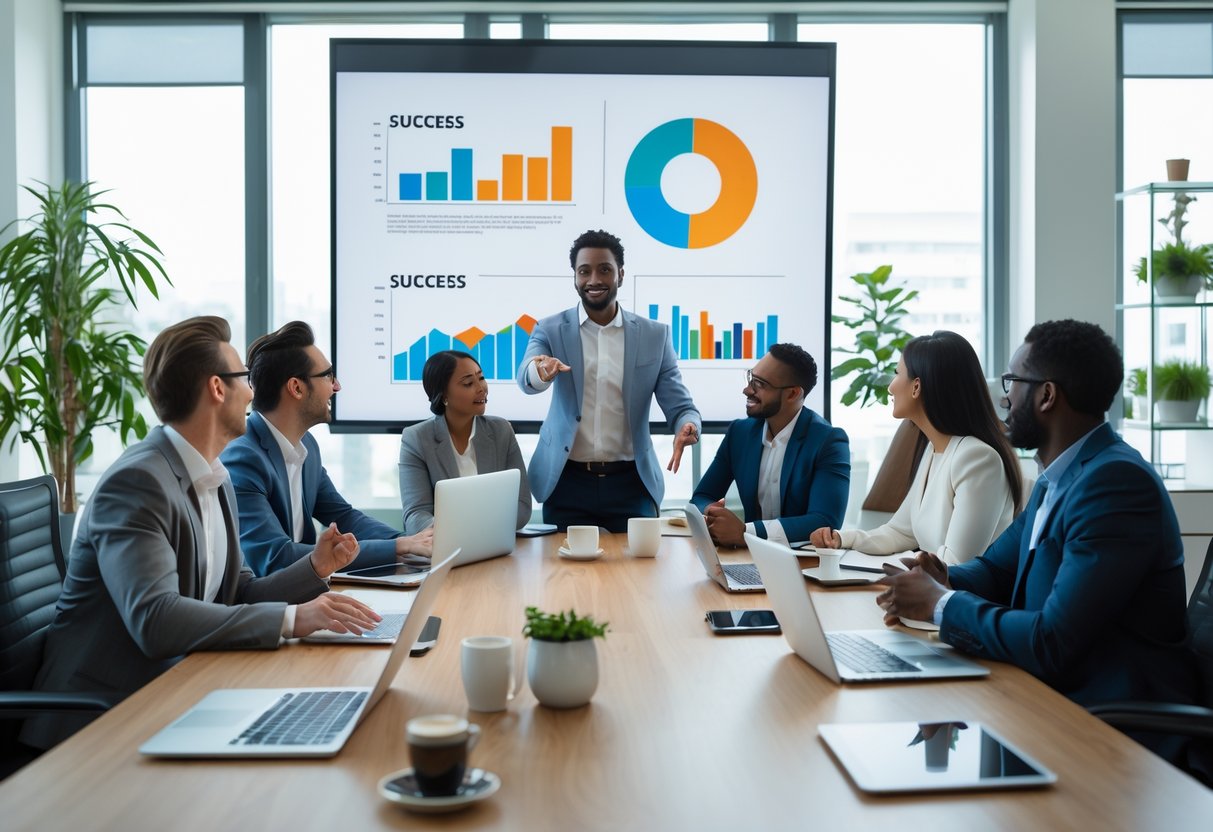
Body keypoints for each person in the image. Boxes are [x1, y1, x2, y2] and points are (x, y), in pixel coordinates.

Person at [23, 316, 380, 749]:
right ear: (216, 388)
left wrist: (315, 567)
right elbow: (156, 619)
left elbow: (239, 591)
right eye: (245, 379)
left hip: (178, 689)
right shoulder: (138, 483)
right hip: (104, 720)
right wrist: (292, 619)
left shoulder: (215, 475)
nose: (253, 392)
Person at [875, 320, 1198, 765]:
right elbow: (997, 569)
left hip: (1106, 729)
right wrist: (942, 576)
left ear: (1047, 396)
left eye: (1013, 382)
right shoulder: (1057, 478)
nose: (1004, 396)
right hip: (1046, 698)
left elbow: (1052, 641)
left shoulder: (1116, 484)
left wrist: (940, 603)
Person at [516, 229, 701, 532]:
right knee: (567, 576)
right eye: (584, 271)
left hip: (631, 482)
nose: (594, 280)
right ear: (574, 277)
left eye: (605, 269)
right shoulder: (549, 329)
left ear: (621, 274)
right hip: (567, 481)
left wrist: (687, 425)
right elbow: (526, 377)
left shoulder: (655, 335)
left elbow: (680, 406)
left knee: (638, 576)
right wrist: (540, 370)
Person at [222, 321, 431, 576]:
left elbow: (344, 517)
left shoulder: (306, 446)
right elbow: (274, 557)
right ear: (296, 387)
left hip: (308, 592)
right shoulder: (243, 458)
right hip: (268, 605)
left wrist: (415, 541)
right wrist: (398, 547)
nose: (337, 386)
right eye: (328, 375)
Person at [809, 330, 1022, 564]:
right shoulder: (934, 449)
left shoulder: (976, 457)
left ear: (916, 387)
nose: (890, 387)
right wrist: (841, 539)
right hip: (931, 590)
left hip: (957, 596)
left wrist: (895, 567)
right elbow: (900, 532)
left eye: (897, 374)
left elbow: (956, 563)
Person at [690, 343, 850, 547]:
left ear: (792, 394)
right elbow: (703, 496)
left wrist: (745, 532)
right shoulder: (739, 433)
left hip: (804, 564)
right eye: (750, 378)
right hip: (750, 559)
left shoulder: (829, 441)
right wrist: (711, 513)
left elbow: (825, 521)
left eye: (760, 384)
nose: (747, 390)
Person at [398, 350, 531, 534]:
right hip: (445, 550)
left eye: (481, 378)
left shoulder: (501, 431)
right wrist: (459, 532)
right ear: (444, 395)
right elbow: (415, 516)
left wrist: (477, 530)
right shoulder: (417, 439)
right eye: (468, 383)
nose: (481, 388)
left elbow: (522, 505)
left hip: (493, 546)